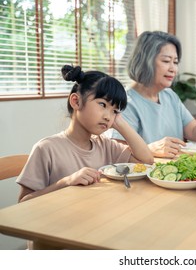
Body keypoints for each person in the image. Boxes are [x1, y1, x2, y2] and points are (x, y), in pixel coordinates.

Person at [16, 65, 154, 202]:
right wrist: (66, 182)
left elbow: (146, 161)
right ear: (76, 101)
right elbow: (23, 202)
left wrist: (120, 124)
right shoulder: (46, 148)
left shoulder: (105, 145)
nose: (108, 116)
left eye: (115, 111)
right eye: (102, 105)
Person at [111, 31, 196, 158]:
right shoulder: (126, 102)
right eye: (166, 61)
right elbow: (117, 152)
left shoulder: (170, 96)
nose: (173, 68)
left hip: (176, 173)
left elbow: (195, 133)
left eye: (175, 62)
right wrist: (150, 149)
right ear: (146, 61)